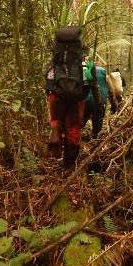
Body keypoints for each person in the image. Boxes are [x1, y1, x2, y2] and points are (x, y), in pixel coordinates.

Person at [45, 26, 87, 167]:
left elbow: (48, 84)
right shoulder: (84, 66)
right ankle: (69, 164)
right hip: (76, 100)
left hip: (56, 99)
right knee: (73, 128)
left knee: (56, 120)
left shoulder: (53, 65)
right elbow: (89, 85)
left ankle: (55, 132)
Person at [83, 62, 108, 139]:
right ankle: (95, 135)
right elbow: (110, 85)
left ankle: (77, 133)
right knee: (98, 118)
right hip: (99, 99)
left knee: (83, 117)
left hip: (86, 98)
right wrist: (113, 100)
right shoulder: (104, 71)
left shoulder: (86, 70)